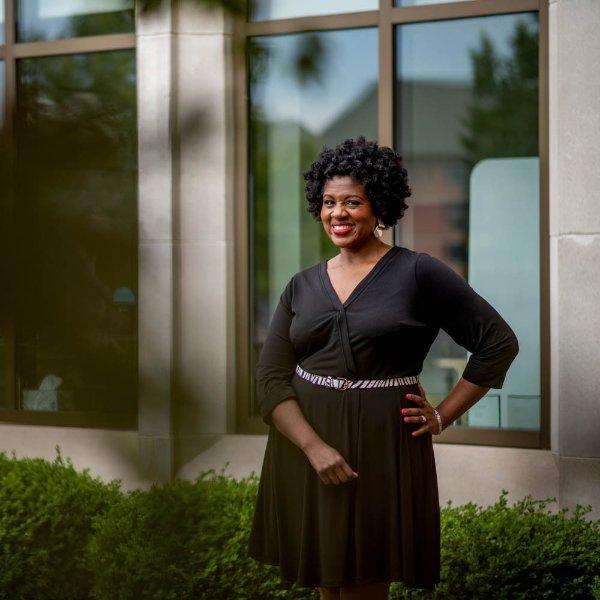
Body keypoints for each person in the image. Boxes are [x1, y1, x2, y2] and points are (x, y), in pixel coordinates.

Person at [247, 136, 519, 600]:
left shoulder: (419, 273)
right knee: (327, 584)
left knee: (364, 581)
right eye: (329, 202)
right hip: (305, 444)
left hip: (381, 447)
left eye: (353, 202)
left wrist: (443, 415)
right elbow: (271, 379)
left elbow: (497, 343)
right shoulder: (301, 285)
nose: (338, 213)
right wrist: (313, 448)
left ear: (379, 205)